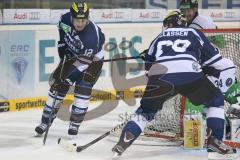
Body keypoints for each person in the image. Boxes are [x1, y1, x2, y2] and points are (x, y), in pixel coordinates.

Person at [112, 11, 237, 158]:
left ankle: (122, 143)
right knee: (215, 99)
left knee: (145, 112)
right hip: (189, 77)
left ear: (169, 24)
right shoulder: (193, 32)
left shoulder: (158, 39)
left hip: (160, 79)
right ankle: (215, 139)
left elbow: (149, 70)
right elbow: (216, 61)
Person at [35, 1, 105, 136]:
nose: (80, 23)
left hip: (93, 60)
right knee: (57, 86)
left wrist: (69, 78)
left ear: (88, 18)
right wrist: (62, 45)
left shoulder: (91, 37)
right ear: (72, 17)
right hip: (73, 55)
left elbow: (83, 63)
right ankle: (45, 122)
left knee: (82, 88)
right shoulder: (65, 18)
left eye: (83, 20)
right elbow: (62, 31)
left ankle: (74, 124)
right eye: (77, 20)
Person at [180, 0, 240, 119]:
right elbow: (220, 42)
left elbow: (220, 42)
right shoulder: (188, 24)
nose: (186, 13)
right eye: (183, 11)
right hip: (208, 67)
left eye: (189, 10)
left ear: (195, 9)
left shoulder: (203, 22)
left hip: (212, 67)